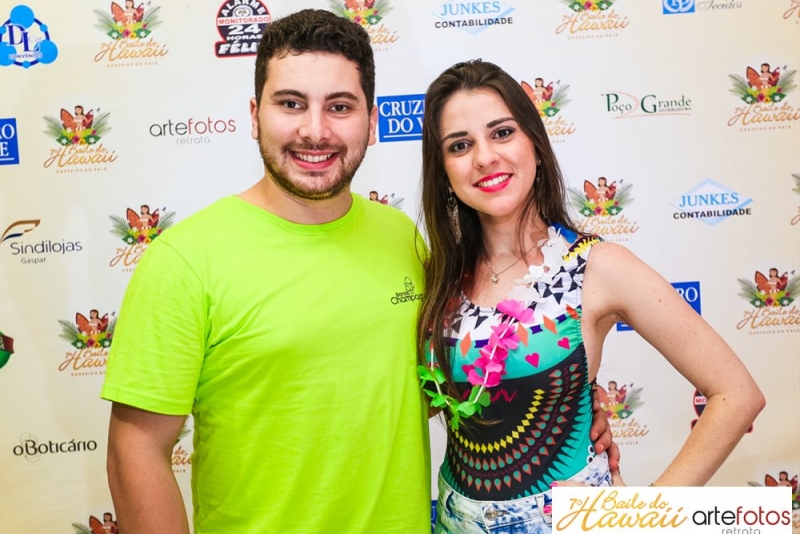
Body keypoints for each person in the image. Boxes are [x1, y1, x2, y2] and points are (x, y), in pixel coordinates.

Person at [101, 11, 616, 534]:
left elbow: (435, 389)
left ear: (371, 124)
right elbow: (136, 449)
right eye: (291, 103)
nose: (314, 130)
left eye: (340, 106)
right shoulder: (185, 260)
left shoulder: (402, 239)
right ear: (255, 115)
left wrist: (569, 410)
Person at [415, 59, 765, 534]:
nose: (484, 157)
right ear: (443, 171)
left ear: (535, 145)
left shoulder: (597, 267)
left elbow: (737, 395)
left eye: (502, 133)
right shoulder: (437, 276)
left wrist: (643, 520)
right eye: (460, 145)